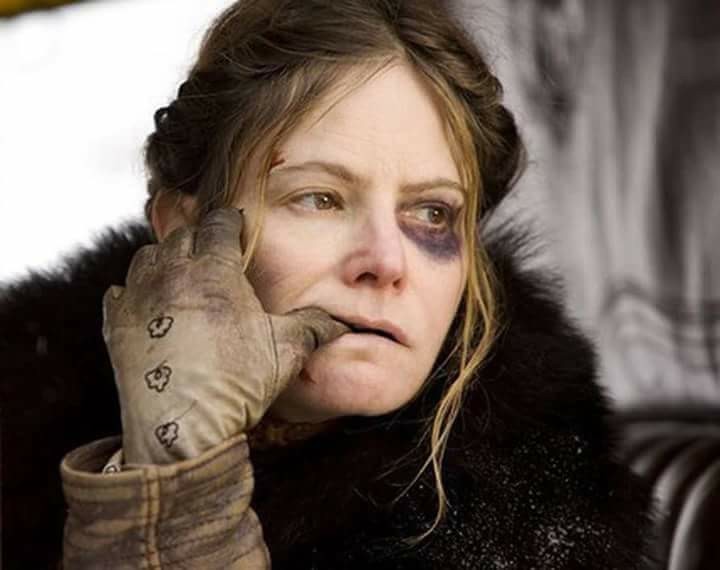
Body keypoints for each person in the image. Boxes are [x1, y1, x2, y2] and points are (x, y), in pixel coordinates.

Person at [0, 0, 658, 568]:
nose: (386, 261)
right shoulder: (23, 416)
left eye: (433, 213)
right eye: (319, 198)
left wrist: (181, 483)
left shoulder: (537, 509)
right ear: (184, 230)